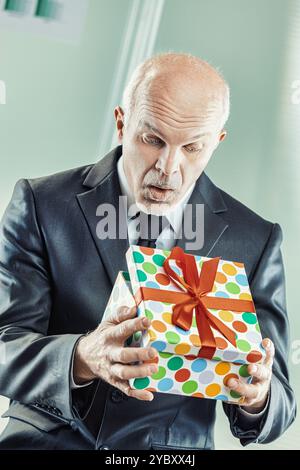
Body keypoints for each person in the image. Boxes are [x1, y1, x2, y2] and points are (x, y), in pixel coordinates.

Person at [0, 53, 296, 450]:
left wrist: (258, 397)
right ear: (122, 123)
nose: (168, 167)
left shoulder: (255, 240)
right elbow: (6, 343)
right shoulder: (42, 204)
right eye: (153, 139)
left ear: (217, 141)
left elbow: (280, 403)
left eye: (192, 147)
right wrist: (82, 357)